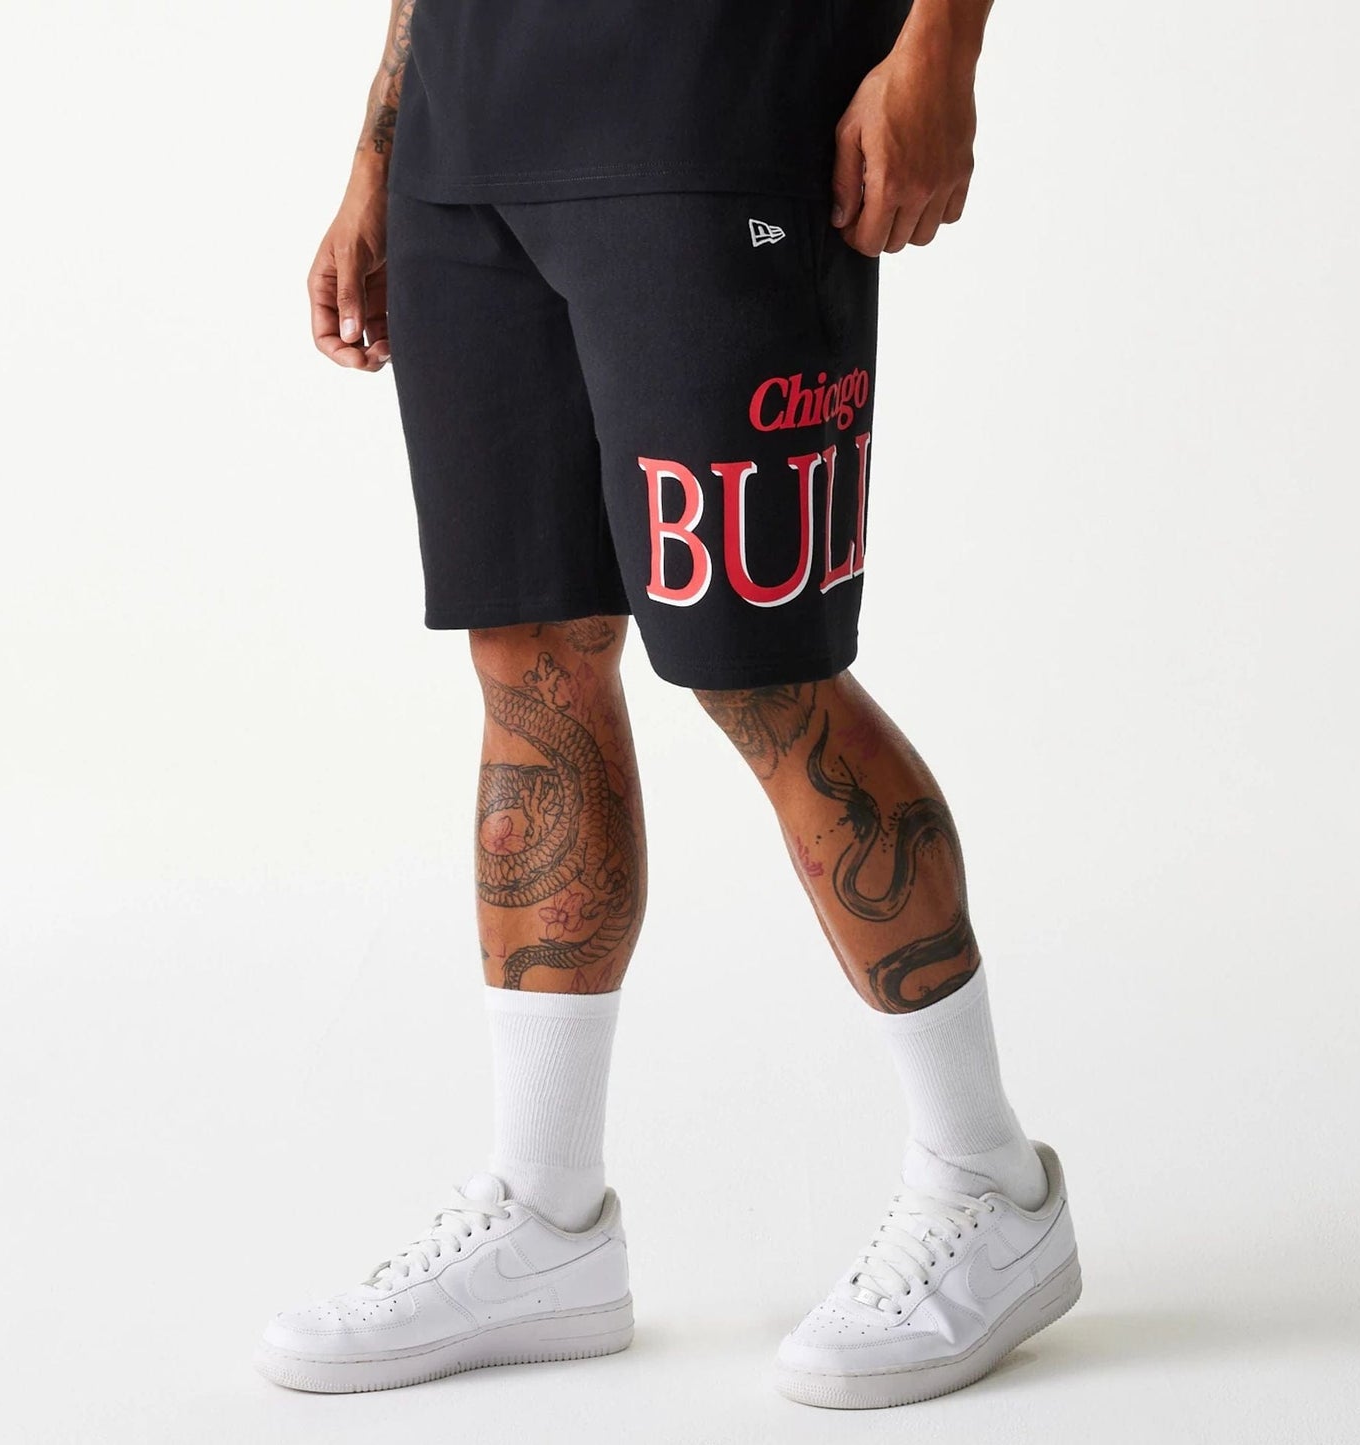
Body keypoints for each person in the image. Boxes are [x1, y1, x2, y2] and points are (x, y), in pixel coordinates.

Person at [255, 0, 1080, 1409]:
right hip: (469, 130)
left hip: (716, 108)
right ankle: (545, 1216)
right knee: (529, 659)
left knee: (767, 674)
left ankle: (988, 1182)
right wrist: (379, 152)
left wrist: (941, 46)